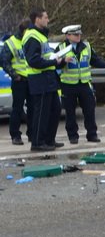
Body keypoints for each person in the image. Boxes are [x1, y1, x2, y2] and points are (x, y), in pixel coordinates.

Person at [58, 24, 105, 144]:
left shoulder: (86, 46)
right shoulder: (61, 47)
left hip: (84, 84)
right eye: (75, 34)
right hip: (68, 84)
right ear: (68, 36)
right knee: (70, 113)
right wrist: (63, 61)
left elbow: (95, 59)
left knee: (89, 110)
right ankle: (73, 136)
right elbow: (54, 64)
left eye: (79, 34)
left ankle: (92, 134)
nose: (78, 36)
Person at [21, 8, 67, 151]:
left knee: (55, 109)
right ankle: (37, 143)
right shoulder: (32, 36)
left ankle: (49, 140)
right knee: (41, 112)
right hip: (39, 79)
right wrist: (54, 62)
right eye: (46, 17)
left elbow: (45, 55)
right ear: (37, 19)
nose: (48, 20)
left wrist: (55, 57)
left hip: (48, 77)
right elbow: (33, 61)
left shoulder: (41, 35)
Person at [1, 20, 34, 145]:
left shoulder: (30, 40)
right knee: (17, 109)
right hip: (19, 80)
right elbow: (4, 61)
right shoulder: (11, 43)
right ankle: (15, 135)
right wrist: (15, 75)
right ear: (24, 30)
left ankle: (32, 134)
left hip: (32, 78)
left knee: (32, 109)